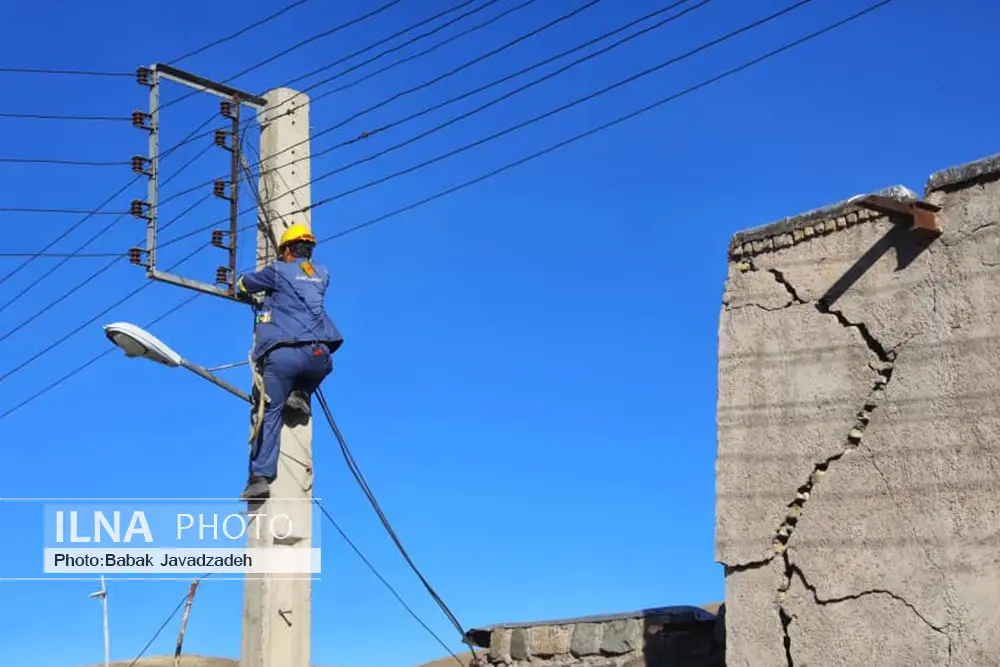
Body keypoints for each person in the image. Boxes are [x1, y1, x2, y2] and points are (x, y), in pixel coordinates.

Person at [235, 223, 344, 500]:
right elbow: (303, 282)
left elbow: (244, 284)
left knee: (269, 414)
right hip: (317, 355)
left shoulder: (277, 271)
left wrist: (246, 287)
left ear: (285, 250)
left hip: (282, 355)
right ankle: (300, 393)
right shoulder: (322, 273)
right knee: (321, 367)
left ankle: (260, 478)